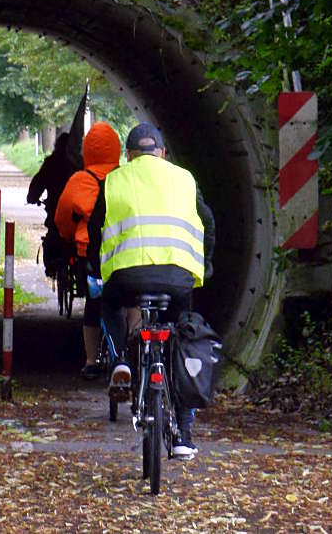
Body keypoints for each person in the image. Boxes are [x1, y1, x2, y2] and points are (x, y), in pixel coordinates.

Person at [87, 122, 215, 459]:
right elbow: (209, 224)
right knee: (181, 335)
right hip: (178, 277)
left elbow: (94, 226)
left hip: (128, 277)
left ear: (128, 156)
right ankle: (184, 433)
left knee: (111, 306)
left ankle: (119, 362)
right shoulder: (184, 179)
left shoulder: (115, 181)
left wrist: (94, 267)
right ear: (161, 152)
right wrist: (207, 265)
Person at [54, 122, 120, 380]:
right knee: (129, 301)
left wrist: (70, 237)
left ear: (87, 151)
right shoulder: (124, 176)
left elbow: (62, 220)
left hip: (88, 255)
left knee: (94, 304)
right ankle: (133, 351)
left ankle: (91, 360)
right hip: (123, 252)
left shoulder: (80, 180)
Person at [26, 132, 78, 275]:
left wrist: (32, 198)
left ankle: (52, 267)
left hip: (56, 210)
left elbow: (38, 182)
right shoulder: (79, 163)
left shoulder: (51, 162)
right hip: (78, 211)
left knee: (53, 233)